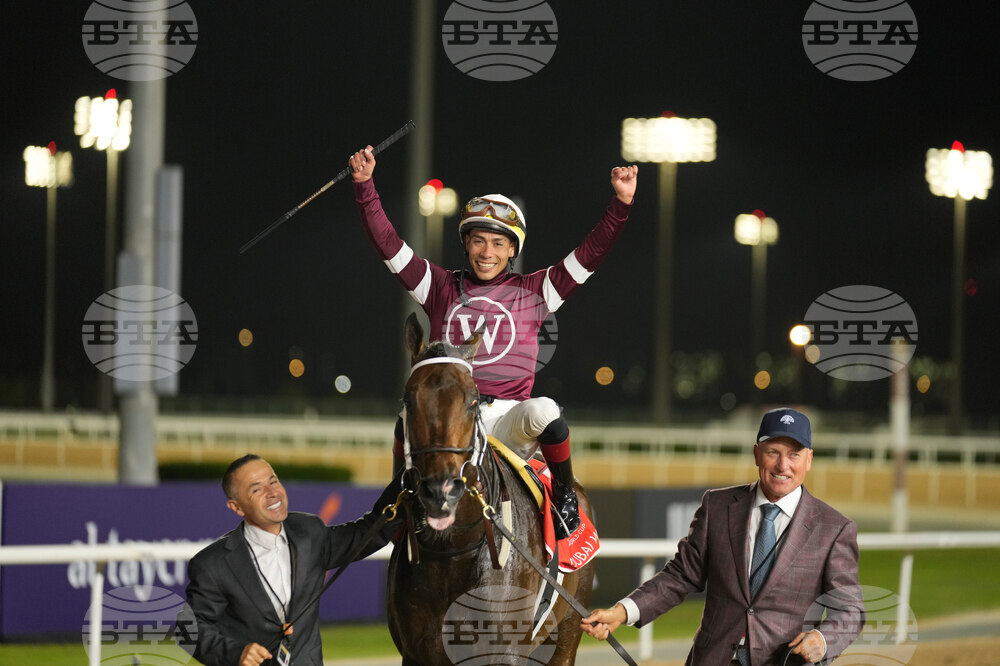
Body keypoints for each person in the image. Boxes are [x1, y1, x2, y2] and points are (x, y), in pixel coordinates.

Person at [348, 144, 637, 539]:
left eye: (499, 243)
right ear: (466, 243)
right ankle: (399, 493)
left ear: (513, 249)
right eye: (479, 240)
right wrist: (365, 186)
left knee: (546, 411)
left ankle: (565, 496)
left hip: (507, 422)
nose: (488, 252)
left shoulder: (536, 291)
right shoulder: (440, 287)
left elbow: (589, 255)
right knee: (405, 416)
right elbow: (389, 246)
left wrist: (620, 204)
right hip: (453, 418)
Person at [581, 408, 864, 665]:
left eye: (794, 455)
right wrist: (622, 611)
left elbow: (850, 611)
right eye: (773, 452)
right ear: (756, 454)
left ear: (809, 459)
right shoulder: (717, 506)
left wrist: (824, 640)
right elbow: (680, 576)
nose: (783, 466)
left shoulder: (834, 528)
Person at [184, 454, 402, 666]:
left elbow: (367, 531)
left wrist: (407, 481)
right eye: (256, 489)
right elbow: (188, 630)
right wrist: (235, 653)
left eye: (273, 481)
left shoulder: (310, 532)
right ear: (236, 507)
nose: (272, 492)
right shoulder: (212, 564)